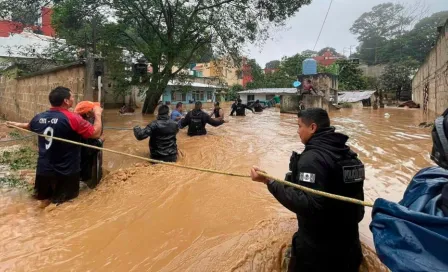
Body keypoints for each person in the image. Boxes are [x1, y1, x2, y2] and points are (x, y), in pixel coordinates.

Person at [250, 108, 365, 272]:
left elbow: (308, 204)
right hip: (351, 250)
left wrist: (268, 182)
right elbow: (356, 207)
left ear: (312, 127)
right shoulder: (350, 156)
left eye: (299, 126)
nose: (297, 131)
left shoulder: (313, 158)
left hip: (317, 256)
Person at [6, 86, 103, 205]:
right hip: (66, 173)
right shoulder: (73, 118)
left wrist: (15, 124)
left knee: (42, 203)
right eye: (72, 96)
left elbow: (29, 126)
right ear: (66, 101)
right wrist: (98, 114)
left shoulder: (39, 117)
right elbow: (96, 133)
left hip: (43, 171)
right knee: (65, 206)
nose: (73, 98)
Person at [74, 101, 105, 189]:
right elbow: (87, 151)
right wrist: (100, 141)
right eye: (93, 110)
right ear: (88, 114)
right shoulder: (84, 128)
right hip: (81, 172)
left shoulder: (75, 122)